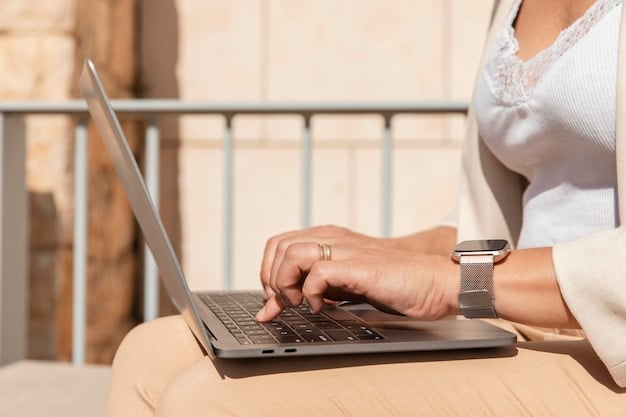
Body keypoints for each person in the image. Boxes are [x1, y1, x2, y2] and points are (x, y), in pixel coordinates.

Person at [107, 0, 626, 415]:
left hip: (606, 343)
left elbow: (468, 278)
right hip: (519, 307)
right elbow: (501, 230)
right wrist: (367, 256)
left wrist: (446, 282)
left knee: (211, 400)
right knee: (151, 352)